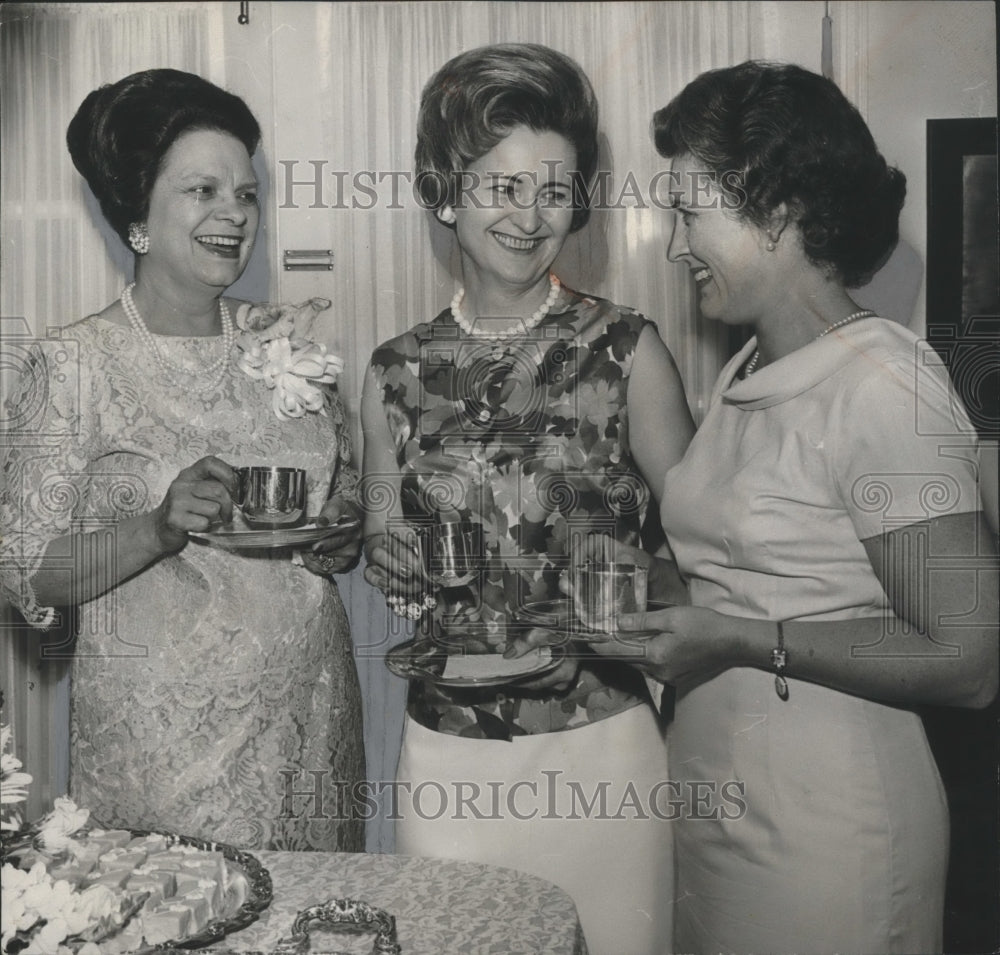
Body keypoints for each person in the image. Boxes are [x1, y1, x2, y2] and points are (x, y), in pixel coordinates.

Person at [583, 61, 997, 953]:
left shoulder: (885, 386)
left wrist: (740, 637)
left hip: (832, 831)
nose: (675, 246)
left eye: (689, 213)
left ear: (774, 212)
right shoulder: (749, 368)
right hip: (719, 803)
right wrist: (664, 586)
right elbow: (767, 570)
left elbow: (969, 656)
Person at [361, 44, 694, 955]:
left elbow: (708, 565)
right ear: (444, 192)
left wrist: (617, 602)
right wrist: (391, 557)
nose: (529, 214)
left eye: (553, 190)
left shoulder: (627, 351)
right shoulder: (393, 372)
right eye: (501, 186)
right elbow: (389, 548)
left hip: (604, 751)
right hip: (449, 754)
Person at [0, 69, 365, 852]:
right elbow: (26, 570)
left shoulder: (284, 340)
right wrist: (156, 528)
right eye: (204, 190)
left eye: (247, 194)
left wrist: (342, 527)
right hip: (165, 749)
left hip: (311, 719)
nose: (235, 213)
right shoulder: (69, 363)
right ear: (137, 215)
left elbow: (339, 497)